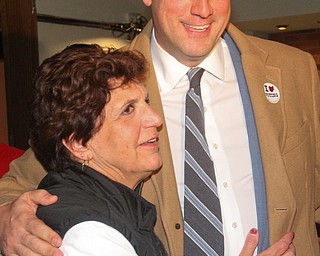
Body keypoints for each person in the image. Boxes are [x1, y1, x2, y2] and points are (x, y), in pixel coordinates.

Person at [0, 0, 318, 255]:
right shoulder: (109, 81)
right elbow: (21, 183)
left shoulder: (294, 70)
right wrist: (6, 219)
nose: (203, 9)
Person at [29, 43, 167, 256]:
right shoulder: (88, 235)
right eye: (128, 109)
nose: (156, 119)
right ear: (79, 144)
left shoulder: (110, 205)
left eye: (146, 102)